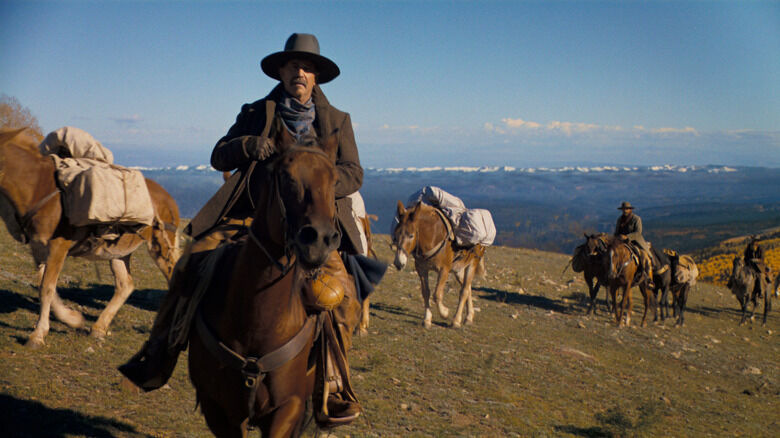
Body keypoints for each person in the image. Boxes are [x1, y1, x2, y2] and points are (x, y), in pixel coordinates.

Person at [119, 33, 376, 424]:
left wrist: (319, 183)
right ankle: (159, 351)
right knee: (192, 265)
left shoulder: (337, 121)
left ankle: (335, 385)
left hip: (313, 224)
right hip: (248, 217)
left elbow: (354, 172)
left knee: (340, 296)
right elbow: (218, 153)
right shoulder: (257, 111)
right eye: (293, 66)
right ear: (281, 71)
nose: (300, 73)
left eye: (307, 67)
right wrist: (247, 145)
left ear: (317, 76)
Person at [614, 201, 654, 288]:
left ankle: (649, 279)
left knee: (645, 257)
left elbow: (638, 233)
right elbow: (616, 232)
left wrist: (627, 237)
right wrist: (618, 237)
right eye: (624, 209)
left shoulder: (636, 219)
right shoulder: (619, 220)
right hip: (621, 243)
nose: (625, 211)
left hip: (635, 242)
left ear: (630, 209)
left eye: (627, 209)